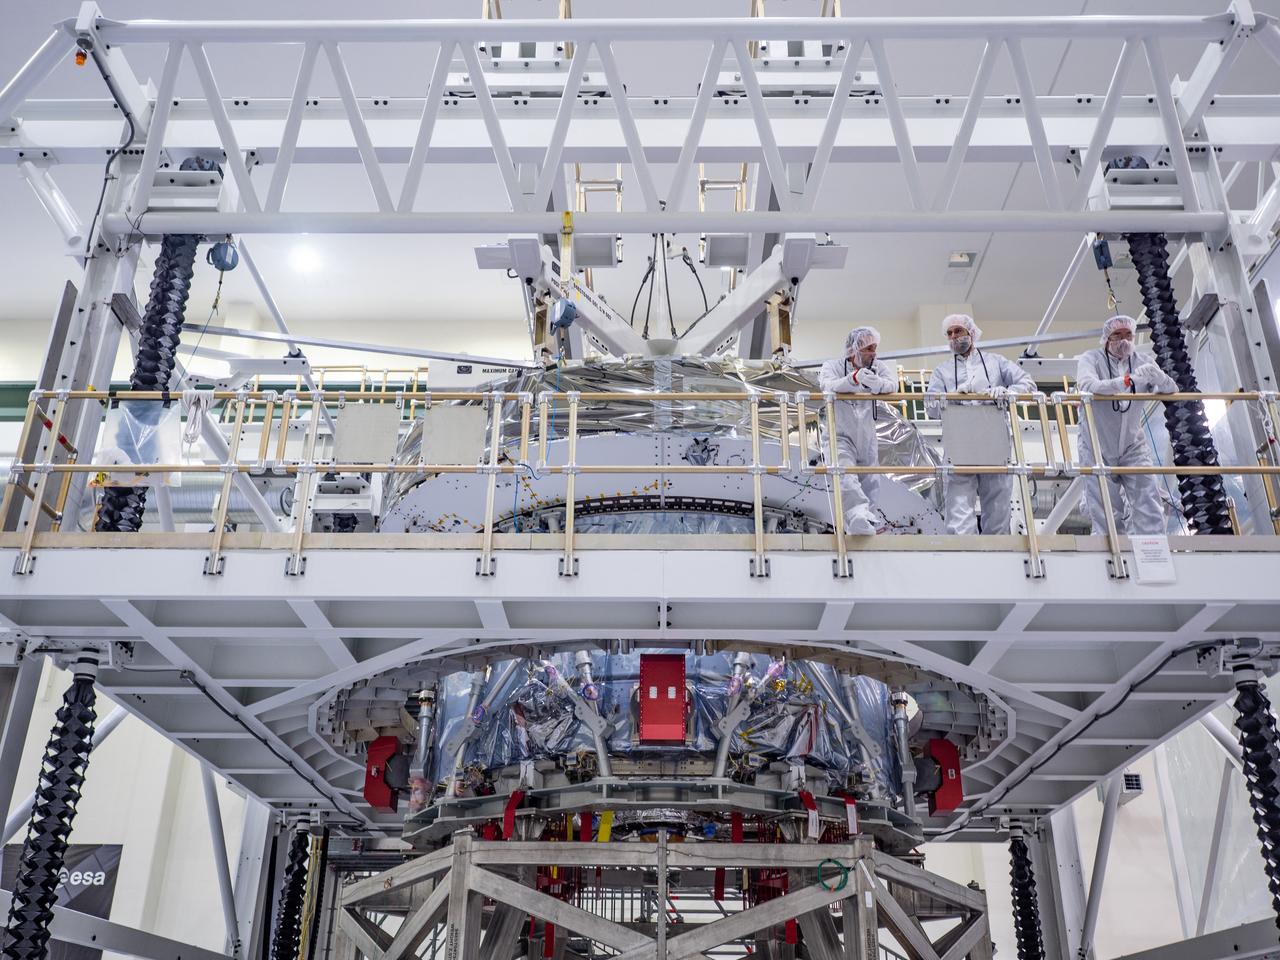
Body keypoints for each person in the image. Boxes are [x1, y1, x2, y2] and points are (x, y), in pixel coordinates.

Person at [925, 314, 1035, 534]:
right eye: (949, 333)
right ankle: (965, 555)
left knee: (998, 504)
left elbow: (1028, 383)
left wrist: (1007, 391)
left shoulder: (996, 362)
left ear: (971, 333)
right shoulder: (942, 371)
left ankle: (998, 554)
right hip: (960, 441)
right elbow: (931, 407)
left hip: (993, 438)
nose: (954, 337)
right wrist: (952, 396)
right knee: (958, 506)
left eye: (958, 331)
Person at [1076, 313, 1177, 535]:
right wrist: (1124, 382)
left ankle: (1153, 552)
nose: (1123, 340)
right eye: (1117, 335)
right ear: (1106, 338)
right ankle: (1110, 554)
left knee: (1148, 499)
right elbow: (1088, 384)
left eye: (1128, 335)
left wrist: (1160, 378)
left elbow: (1172, 391)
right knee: (1104, 507)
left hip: (1133, 444)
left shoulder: (1143, 362)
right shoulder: (1091, 359)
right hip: (1097, 445)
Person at [818, 326, 897, 534]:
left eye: (875, 348)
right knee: (846, 475)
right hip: (840, 435)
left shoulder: (877, 366)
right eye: (869, 348)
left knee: (871, 480)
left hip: (867, 436)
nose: (874, 353)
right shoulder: (833, 366)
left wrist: (877, 383)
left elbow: (893, 385)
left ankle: (866, 523)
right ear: (855, 349)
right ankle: (856, 519)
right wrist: (853, 379)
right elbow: (827, 385)